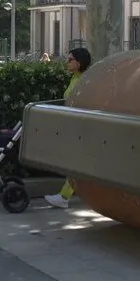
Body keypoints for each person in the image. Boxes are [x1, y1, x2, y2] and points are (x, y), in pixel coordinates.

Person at [44, 47, 93, 209]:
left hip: (81, 128)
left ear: (79, 63)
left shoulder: (84, 80)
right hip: (74, 126)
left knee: (75, 163)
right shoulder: (75, 78)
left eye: (70, 59)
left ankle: (64, 196)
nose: (67, 62)